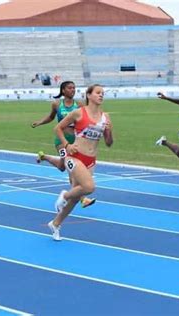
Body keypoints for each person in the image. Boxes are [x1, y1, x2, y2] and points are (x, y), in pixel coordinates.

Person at [48, 84, 113, 241]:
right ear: (89, 95)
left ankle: (55, 224)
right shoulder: (78, 113)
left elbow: (109, 143)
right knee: (89, 187)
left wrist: (109, 131)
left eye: (103, 93)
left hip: (91, 160)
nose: (101, 95)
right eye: (98, 93)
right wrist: (67, 145)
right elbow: (57, 128)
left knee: (77, 198)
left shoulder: (106, 117)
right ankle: (64, 195)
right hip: (75, 156)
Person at [31, 81, 96, 208]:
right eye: (70, 88)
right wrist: (39, 122)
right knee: (72, 170)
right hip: (61, 141)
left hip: (75, 141)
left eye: (74, 88)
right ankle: (82, 199)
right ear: (63, 90)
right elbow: (51, 118)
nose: (73, 90)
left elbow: (86, 119)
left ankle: (43, 157)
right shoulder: (57, 104)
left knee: (62, 166)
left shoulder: (79, 105)